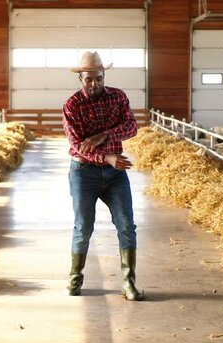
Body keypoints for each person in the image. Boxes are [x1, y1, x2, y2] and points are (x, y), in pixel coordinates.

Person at [62, 51, 143, 301]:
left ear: (103, 75)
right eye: (89, 79)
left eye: (98, 78)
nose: (94, 84)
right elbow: (76, 145)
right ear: (81, 79)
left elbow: (132, 127)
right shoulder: (72, 105)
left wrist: (104, 135)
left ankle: (129, 283)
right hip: (83, 173)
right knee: (83, 227)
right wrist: (105, 157)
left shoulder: (118, 97)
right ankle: (75, 278)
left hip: (115, 174)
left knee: (126, 225)